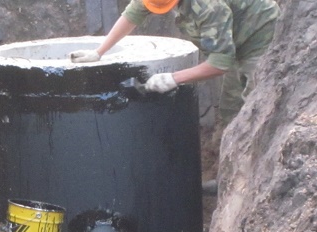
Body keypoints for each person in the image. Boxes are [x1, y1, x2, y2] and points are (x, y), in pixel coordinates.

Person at [69, 0, 280, 195]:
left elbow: (219, 64)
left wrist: (173, 78)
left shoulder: (208, 6)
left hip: (260, 36)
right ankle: (229, 180)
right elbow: (133, 13)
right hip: (234, 40)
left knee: (257, 114)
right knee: (231, 111)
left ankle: (258, 188)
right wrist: (99, 52)